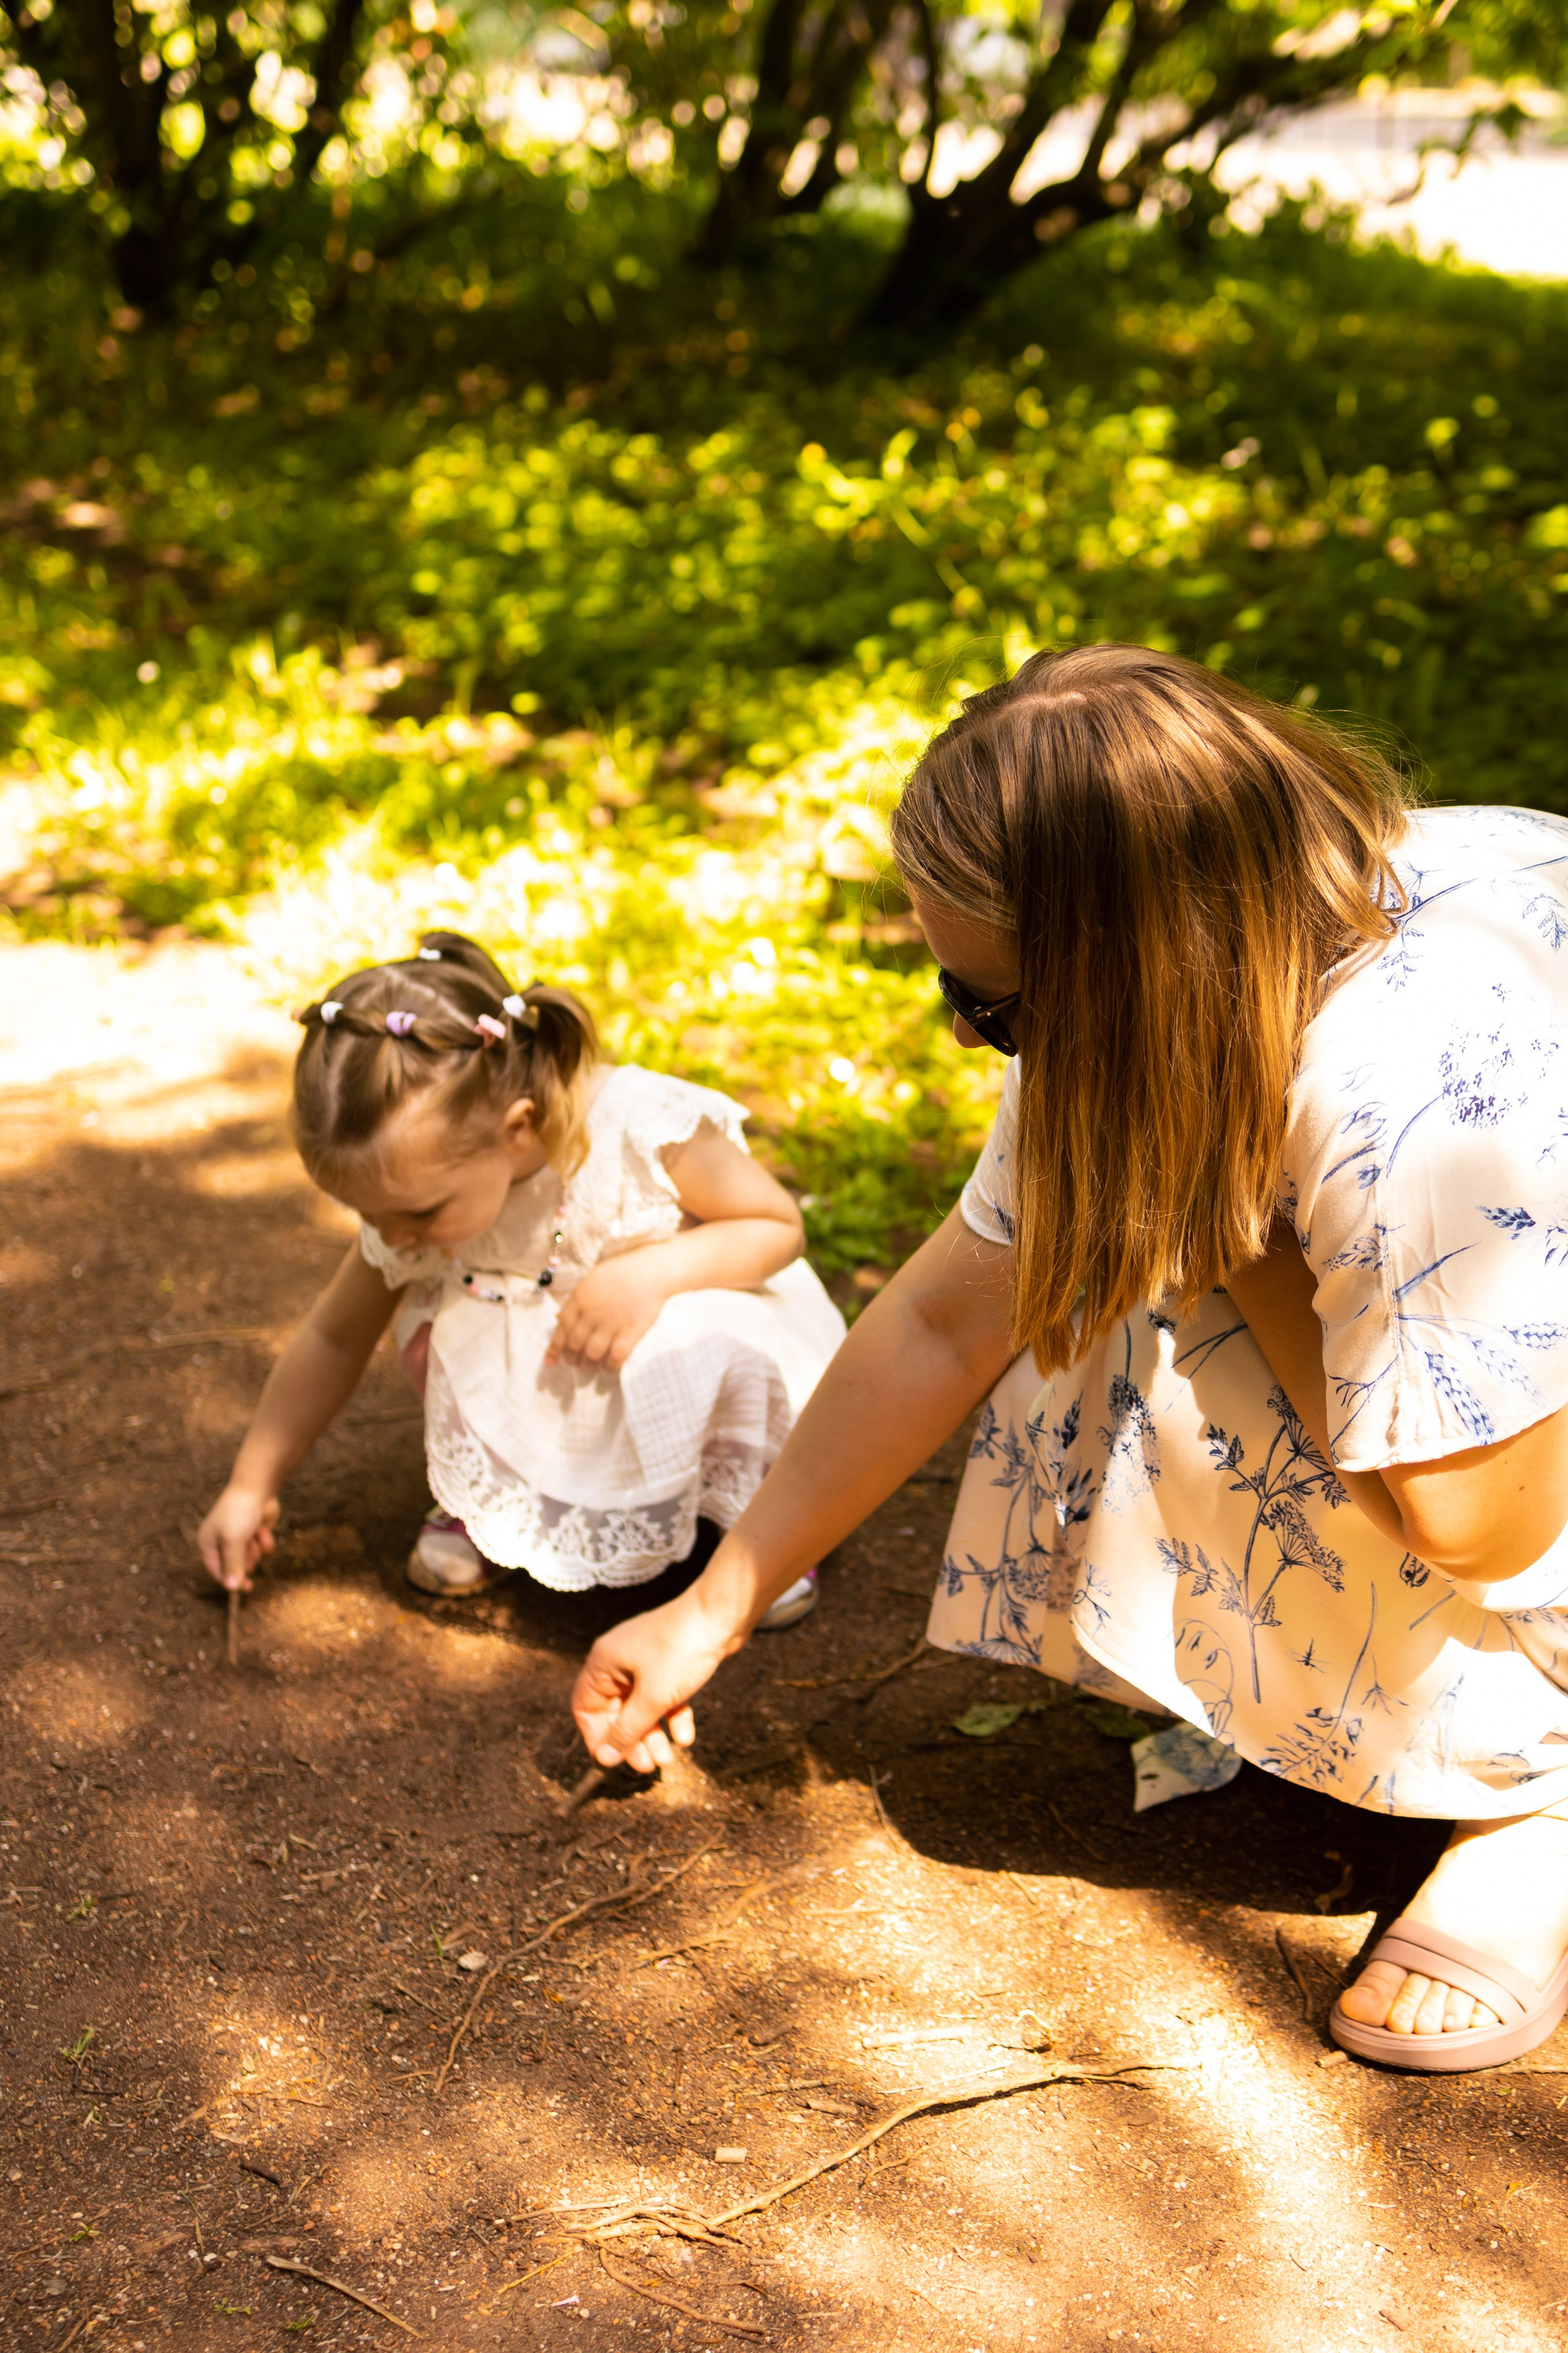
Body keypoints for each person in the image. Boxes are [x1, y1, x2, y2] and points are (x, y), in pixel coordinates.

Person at [573, 643, 1568, 2075]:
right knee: (1090, 1244)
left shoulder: (1397, 1092)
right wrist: (709, 1608)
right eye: (962, 1000)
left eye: (1004, 1008)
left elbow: (1482, 1515)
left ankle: (1530, 1792)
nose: (991, 1041)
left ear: (1133, 965)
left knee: (1172, 1295)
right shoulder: (1248, 941)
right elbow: (945, 1315)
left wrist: (1232, 1238)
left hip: (1511, 1457)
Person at [198, 930, 843, 1623]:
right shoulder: (416, 1197)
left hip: (674, 1334)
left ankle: (757, 1525)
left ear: (516, 1128)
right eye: (365, 1213)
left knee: (707, 1336)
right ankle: (493, 1505)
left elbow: (777, 1227)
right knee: (443, 1322)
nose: (391, 1236)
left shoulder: (639, 1128)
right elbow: (334, 1337)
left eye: (414, 1213)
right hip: (566, 1353)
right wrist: (250, 1482)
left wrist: (654, 1274)